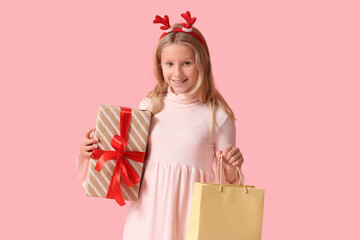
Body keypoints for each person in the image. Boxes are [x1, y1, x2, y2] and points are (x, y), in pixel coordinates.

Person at [76, 11, 244, 240]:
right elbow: (126, 165)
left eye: (186, 63)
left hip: (190, 218)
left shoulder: (218, 116)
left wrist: (231, 169)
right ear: (160, 65)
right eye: (169, 63)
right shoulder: (149, 106)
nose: (177, 72)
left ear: (202, 63)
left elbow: (226, 189)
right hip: (146, 218)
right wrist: (92, 152)